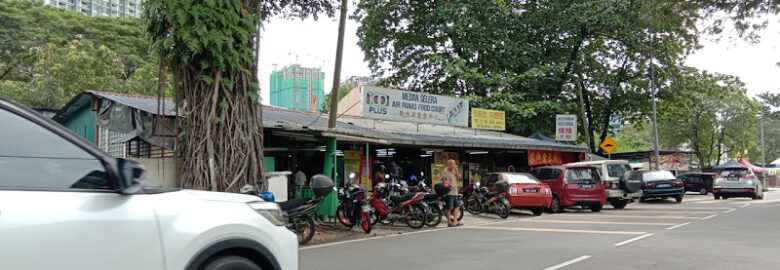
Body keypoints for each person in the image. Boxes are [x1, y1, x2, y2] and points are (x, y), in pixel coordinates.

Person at [441, 159, 462, 227]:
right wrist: (443, 178)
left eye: (454, 164)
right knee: (449, 208)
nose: (453, 166)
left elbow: (459, 179)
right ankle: (449, 222)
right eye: (452, 164)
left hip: (455, 191)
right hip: (449, 192)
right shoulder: (445, 171)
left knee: (457, 206)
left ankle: (455, 221)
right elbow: (442, 179)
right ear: (448, 165)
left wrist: (457, 171)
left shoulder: (454, 170)